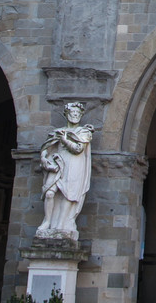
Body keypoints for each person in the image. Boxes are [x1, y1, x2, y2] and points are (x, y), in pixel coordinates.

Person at [37, 101, 94, 240]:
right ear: (67, 114)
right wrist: (44, 158)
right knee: (49, 193)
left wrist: (65, 139)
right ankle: (48, 221)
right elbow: (46, 147)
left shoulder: (84, 132)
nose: (74, 115)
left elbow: (78, 148)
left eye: (77, 113)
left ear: (81, 115)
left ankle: (62, 225)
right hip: (58, 164)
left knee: (68, 195)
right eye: (72, 112)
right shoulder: (57, 132)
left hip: (74, 166)